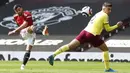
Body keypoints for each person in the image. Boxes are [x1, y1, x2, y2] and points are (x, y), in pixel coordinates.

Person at [48, 2, 122, 72]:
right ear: (104, 8)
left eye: (110, 9)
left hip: (84, 32)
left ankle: (53, 55)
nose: (110, 11)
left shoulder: (98, 14)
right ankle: (107, 69)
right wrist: (117, 26)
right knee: (105, 49)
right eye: (108, 9)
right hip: (92, 35)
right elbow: (108, 29)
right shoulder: (105, 15)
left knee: (70, 45)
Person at [8, 4, 49, 70]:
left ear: (22, 8)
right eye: (16, 11)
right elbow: (21, 26)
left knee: (28, 50)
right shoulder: (15, 17)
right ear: (15, 11)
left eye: (19, 9)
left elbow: (25, 24)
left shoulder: (27, 14)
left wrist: (14, 31)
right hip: (24, 32)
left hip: (31, 33)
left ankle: (23, 66)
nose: (18, 11)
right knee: (32, 27)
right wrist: (16, 31)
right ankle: (42, 32)